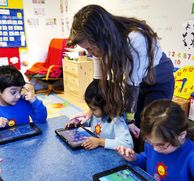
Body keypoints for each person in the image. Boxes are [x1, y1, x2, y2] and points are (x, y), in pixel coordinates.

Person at [67, 4, 175, 142]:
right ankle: (134, 160)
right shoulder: (102, 44)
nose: (90, 54)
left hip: (158, 82)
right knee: (134, 130)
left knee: (152, 129)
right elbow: (98, 83)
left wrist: (130, 121)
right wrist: (91, 111)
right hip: (137, 85)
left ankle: (149, 161)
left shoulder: (135, 39)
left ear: (101, 37)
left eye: (90, 48)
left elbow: (132, 87)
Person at [66, 79, 133, 150]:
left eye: (93, 109)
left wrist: (100, 142)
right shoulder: (96, 114)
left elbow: (128, 144)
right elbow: (90, 122)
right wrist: (78, 122)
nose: (90, 112)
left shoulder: (117, 121)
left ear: (107, 106)